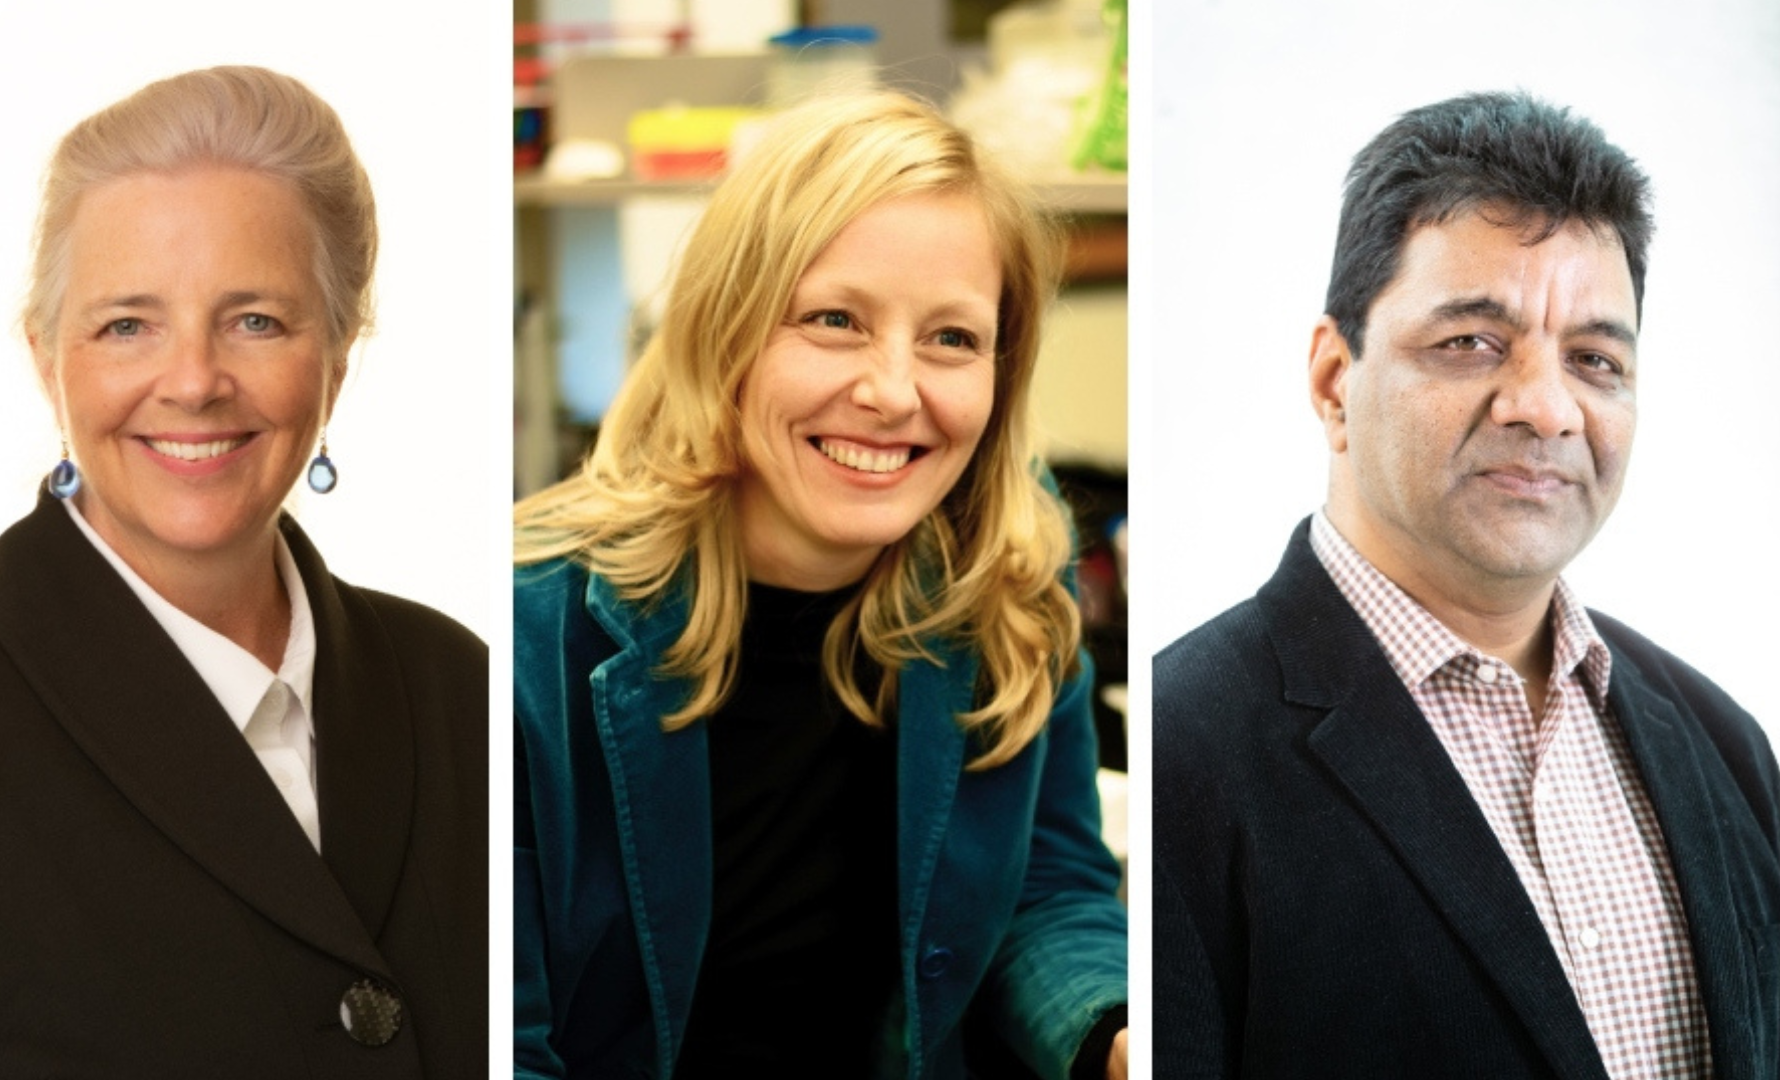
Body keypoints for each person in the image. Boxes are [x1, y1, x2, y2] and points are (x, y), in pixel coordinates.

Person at [0, 67, 487, 1077]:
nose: (193, 381)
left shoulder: (460, 688)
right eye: (126, 326)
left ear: (338, 352)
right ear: (45, 358)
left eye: (256, 320)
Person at [1153, 90, 1780, 1079]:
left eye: (1594, 359)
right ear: (1332, 380)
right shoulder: (1180, 752)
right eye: (1471, 343)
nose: (1544, 406)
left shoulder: (1726, 747)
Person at [513, 92, 1129, 1079]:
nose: (894, 392)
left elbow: (1046, 888)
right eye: (835, 321)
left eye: (952, 339)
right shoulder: (528, 633)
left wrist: (1114, 1032)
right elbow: (505, 1036)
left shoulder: (1007, 574)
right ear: (729, 336)